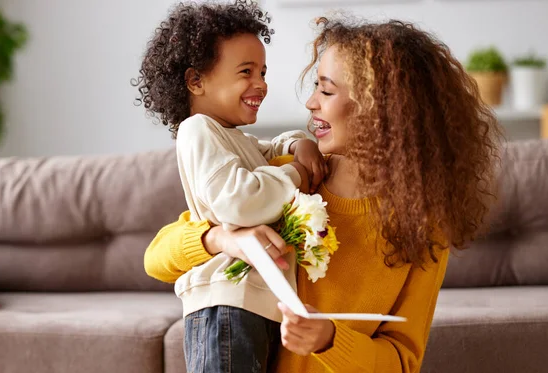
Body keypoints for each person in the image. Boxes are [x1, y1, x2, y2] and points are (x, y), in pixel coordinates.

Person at [145, 15, 501, 373]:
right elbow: (157, 257)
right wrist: (221, 239)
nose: (310, 103)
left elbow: (402, 361)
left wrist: (330, 340)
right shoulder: (291, 178)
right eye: (316, 87)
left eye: (326, 91)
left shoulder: (424, 228)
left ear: (381, 109)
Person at [133, 1, 326, 372]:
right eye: (245, 72)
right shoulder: (198, 130)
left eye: (263, 72)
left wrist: (297, 144)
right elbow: (240, 203)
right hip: (225, 304)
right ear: (195, 81)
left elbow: (270, 148)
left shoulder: (234, 138)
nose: (261, 84)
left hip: (252, 303)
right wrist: (298, 174)